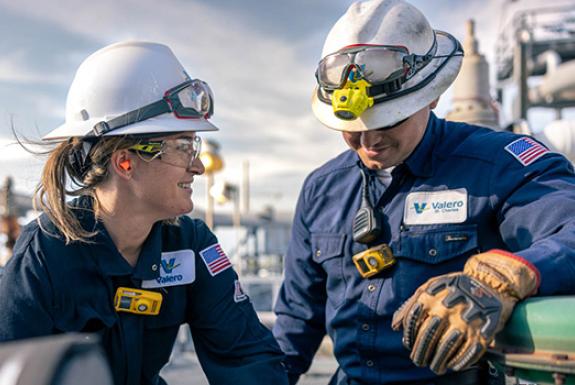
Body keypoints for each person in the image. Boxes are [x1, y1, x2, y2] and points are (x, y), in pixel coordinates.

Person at [273, 0, 575, 384]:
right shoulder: (322, 189)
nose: (369, 140)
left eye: (389, 120)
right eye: (353, 125)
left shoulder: (498, 167)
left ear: (432, 96)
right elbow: (297, 319)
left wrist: (503, 280)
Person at [0, 41, 288, 385]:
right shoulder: (46, 253)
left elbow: (247, 356)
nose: (197, 166)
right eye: (183, 147)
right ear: (125, 162)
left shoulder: (190, 244)